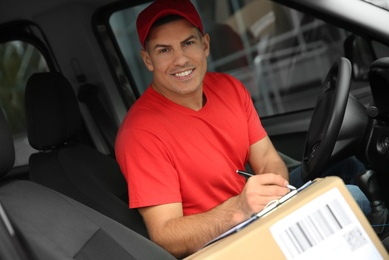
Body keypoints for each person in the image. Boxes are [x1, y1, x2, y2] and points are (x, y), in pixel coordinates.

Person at [115, 0, 369, 257]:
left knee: (348, 163)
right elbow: (166, 236)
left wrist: (273, 196)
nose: (180, 59)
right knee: (351, 198)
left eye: (188, 43)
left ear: (205, 45)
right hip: (221, 243)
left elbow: (268, 159)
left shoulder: (228, 88)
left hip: (253, 209)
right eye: (164, 50)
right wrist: (239, 209)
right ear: (147, 60)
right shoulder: (140, 133)